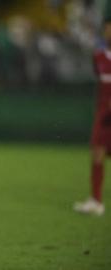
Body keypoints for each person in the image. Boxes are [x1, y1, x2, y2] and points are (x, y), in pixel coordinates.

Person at [74, 20, 111, 216]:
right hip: (103, 116)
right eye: (106, 29)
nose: (108, 32)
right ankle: (96, 200)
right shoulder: (99, 57)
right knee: (97, 155)